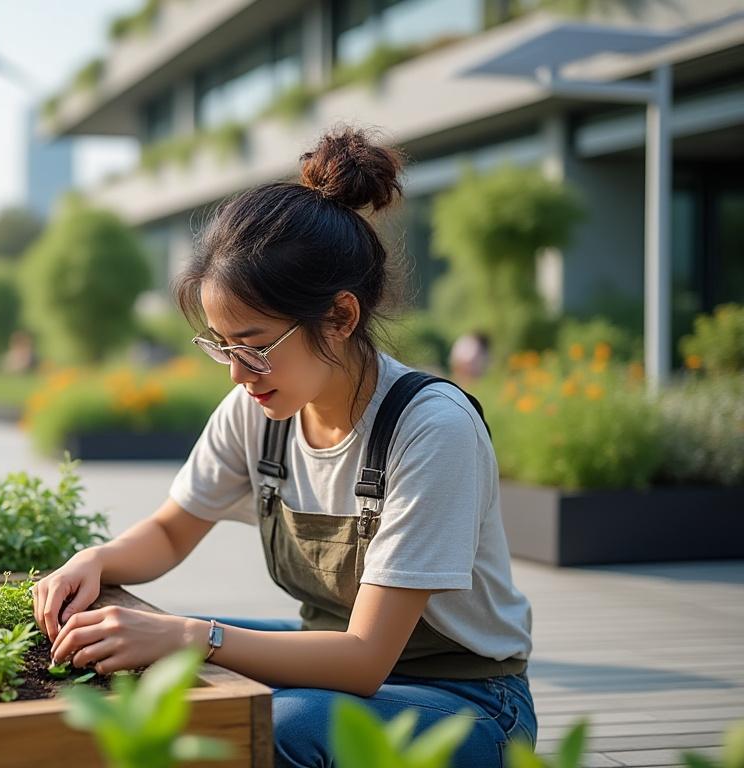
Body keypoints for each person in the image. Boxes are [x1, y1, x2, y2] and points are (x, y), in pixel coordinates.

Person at [32, 126, 535, 767]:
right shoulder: (260, 409)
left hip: (468, 703)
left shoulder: (431, 428)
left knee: (274, 719)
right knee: (151, 665)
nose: (238, 373)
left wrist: (191, 635)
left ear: (341, 317)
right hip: (338, 667)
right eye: (220, 345)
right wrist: (95, 560)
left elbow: (363, 658)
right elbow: (169, 532)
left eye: (255, 344)